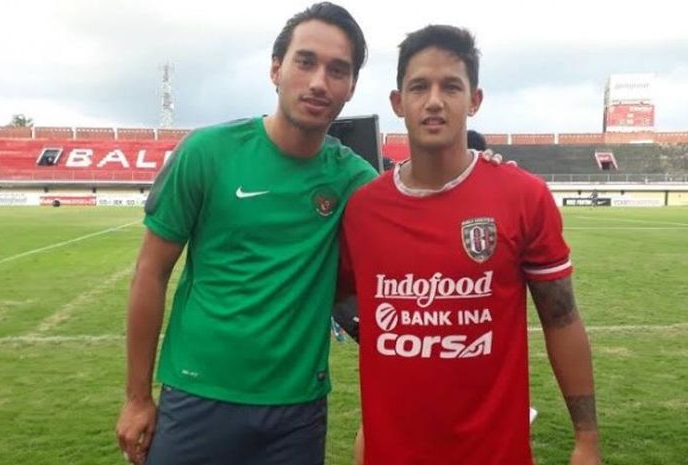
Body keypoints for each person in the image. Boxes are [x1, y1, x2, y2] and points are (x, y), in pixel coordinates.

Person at [115, 4, 375, 465]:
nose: (319, 81)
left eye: (338, 70)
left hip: (296, 412)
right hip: (197, 395)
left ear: (351, 86)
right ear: (276, 69)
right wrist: (137, 398)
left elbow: (428, 202)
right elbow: (150, 272)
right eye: (305, 61)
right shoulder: (207, 153)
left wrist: (485, 168)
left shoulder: (355, 181)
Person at [339, 25, 601, 465]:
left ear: (474, 100)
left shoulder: (523, 197)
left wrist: (586, 440)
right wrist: (390, 348)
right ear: (398, 102)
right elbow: (339, 294)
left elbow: (562, 319)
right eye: (419, 86)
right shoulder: (364, 209)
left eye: (451, 86)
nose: (435, 100)